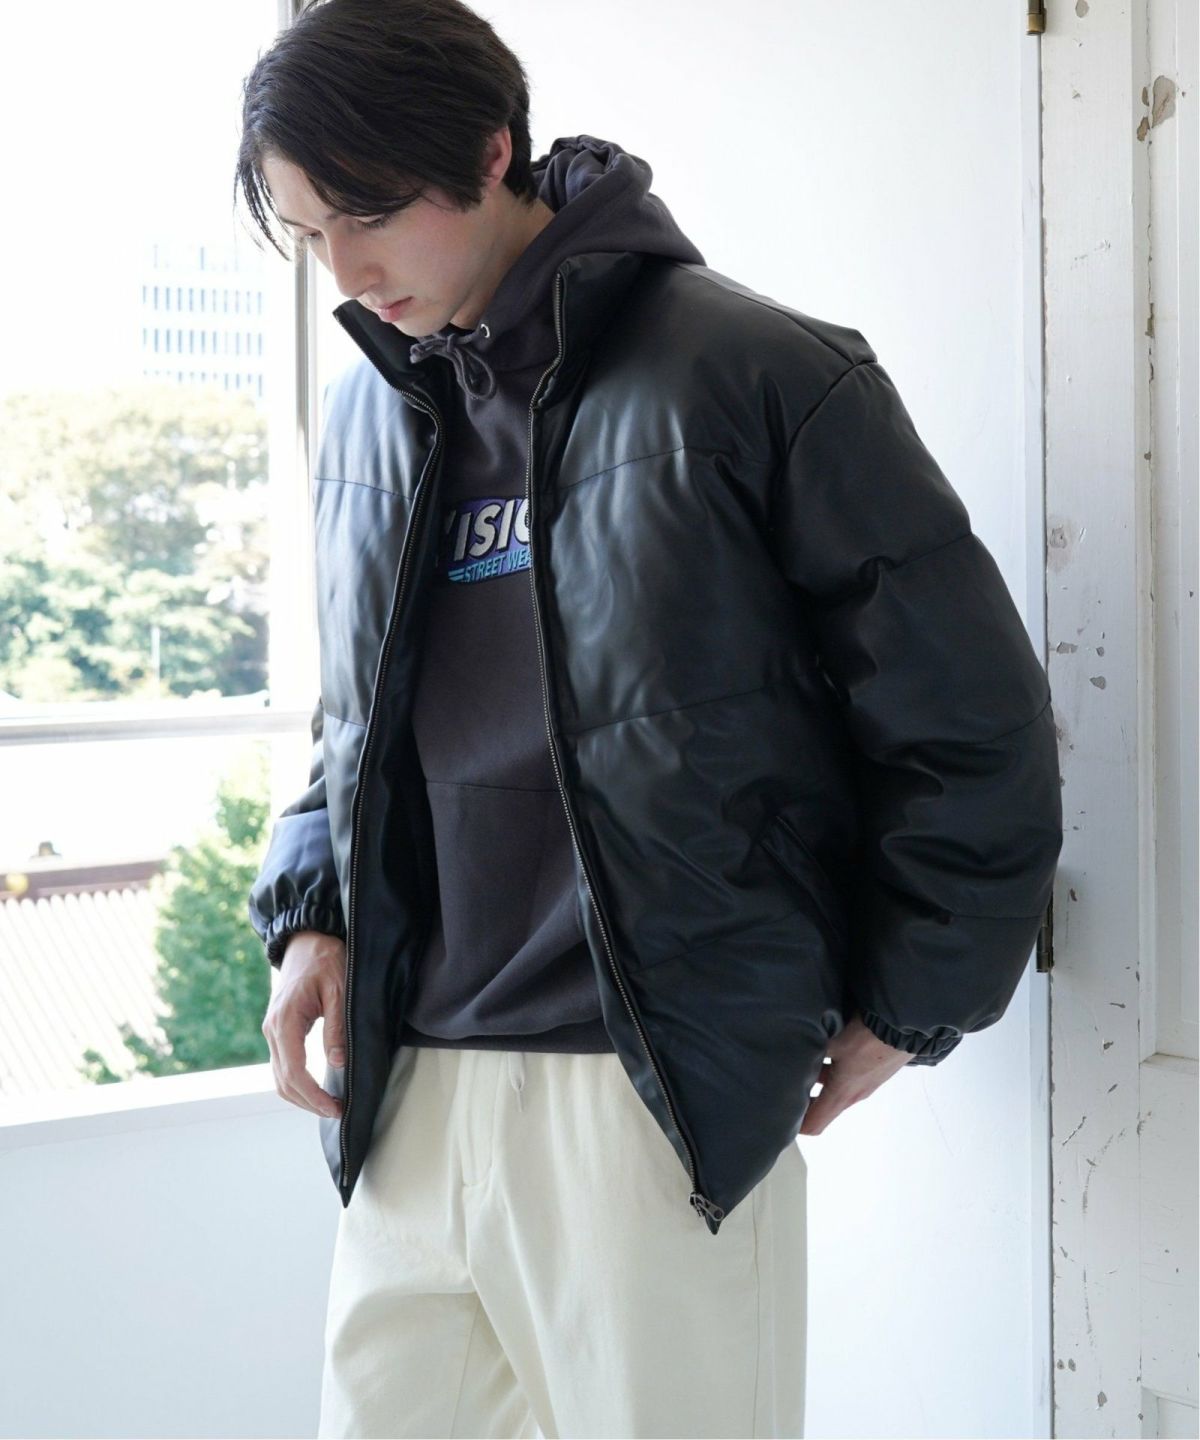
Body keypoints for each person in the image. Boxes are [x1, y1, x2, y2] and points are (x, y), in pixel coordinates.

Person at [240, 1, 1064, 1436]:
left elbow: (970, 716)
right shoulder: (375, 412)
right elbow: (355, 720)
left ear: (490, 151)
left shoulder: (758, 373)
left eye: (368, 216)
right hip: (407, 1085)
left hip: (645, 1091)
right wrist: (312, 914)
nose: (347, 275)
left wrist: (916, 995)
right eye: (310, 234)